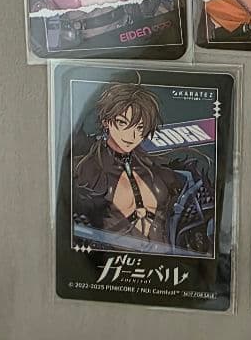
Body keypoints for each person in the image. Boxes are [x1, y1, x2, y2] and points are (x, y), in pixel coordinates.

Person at [71, 84, 183, 249]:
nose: (132, 135)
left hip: (162, 257)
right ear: (106, 121)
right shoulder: (84, 170)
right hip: (112, 259)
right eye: (122, 123)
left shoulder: (156, 170)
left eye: (140, 127)